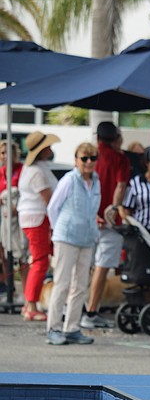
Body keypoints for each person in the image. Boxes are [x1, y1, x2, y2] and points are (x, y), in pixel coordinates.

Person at [45, 142, 101, 346]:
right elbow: (53, 207)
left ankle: (72, 327)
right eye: (84, 158)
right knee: (62, 282)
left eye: (92, 158)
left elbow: (94, 209)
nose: (88, 162)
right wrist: (58, 230)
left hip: (86, 237)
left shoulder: (95, 181)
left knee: (80, 285)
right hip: (66, 236)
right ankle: (53, 327)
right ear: (76, 160)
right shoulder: (69, 179)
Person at [82, 121, 130, 330]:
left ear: (98, 137)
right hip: (111, 222)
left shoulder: (89, 158)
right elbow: (121, 186)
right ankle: (91, 311)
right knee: (102, 268)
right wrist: (113, 207)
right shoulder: (120, 159)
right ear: (116, 137)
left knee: (83, 266)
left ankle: (77, 309)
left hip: (88, 219)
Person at [18, 131, 60, 322]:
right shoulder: (36, 171)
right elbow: (49, 199)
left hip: (36, 218)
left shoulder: (35, 167)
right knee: (40, 261)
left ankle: (29, 304)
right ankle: (31, 305)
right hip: (38, 218)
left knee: (39, 260)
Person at [0, 142, 30, 308]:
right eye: (3, 153)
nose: (5, 156)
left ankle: (27, 294)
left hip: (20, 220)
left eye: (8, 153)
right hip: (5, 221)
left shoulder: (22, 170)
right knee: (5, 256)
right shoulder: (1, 173)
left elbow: (27, 194)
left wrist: (16, 208)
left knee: (22, 257)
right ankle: (11, 290)